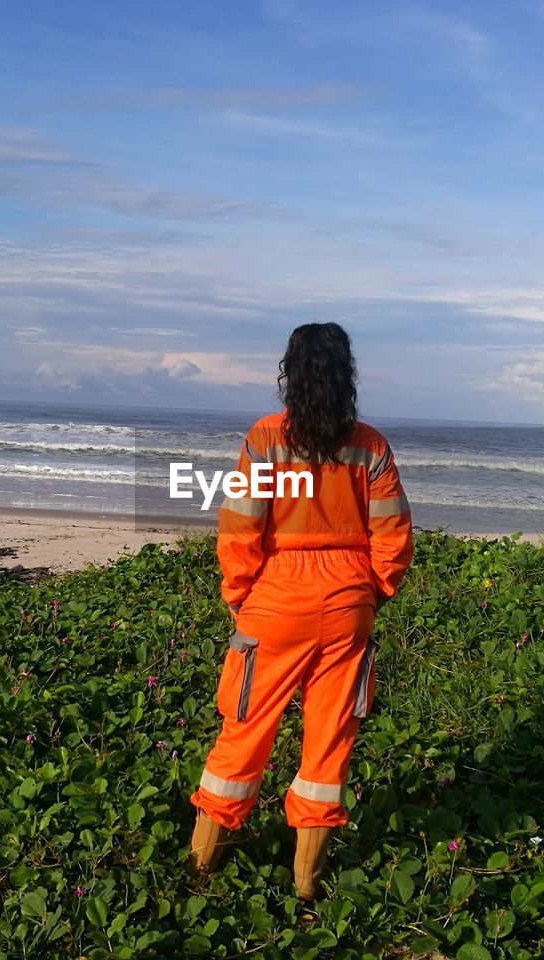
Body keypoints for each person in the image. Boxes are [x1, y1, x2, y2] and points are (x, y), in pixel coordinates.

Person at [187, 322, 415, 900]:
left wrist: (240, 594)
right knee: (329, 741)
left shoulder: (265, 439)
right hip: (347, 603)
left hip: (274, 600)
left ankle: (198, 871)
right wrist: (371, 591)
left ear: (290, 372)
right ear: (346, 374)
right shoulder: (370, 444)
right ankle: (307, 887)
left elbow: (240, 524)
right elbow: (393, 533)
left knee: (243, 731)